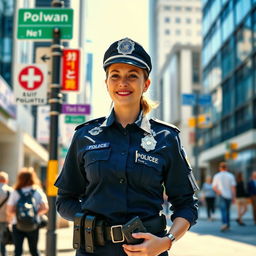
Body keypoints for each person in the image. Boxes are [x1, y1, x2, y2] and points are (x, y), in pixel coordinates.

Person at [55, 37, 199, 256]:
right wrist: (88, 221)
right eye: (115, 76)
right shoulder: (85, 136)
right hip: (93, 251)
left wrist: (166, 241)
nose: (123, 83)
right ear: (106, 83)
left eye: (132, 76)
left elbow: (186, 204)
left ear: (146, 83)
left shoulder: (166, 137)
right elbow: (65, 199)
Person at [6, 167, 49, 256]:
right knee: (34, 250)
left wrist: (19, 214)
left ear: (20, 178)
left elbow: (9, 211)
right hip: (33, 224)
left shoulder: (15, 192)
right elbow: (45, 208)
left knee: (18, 251)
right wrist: (34, 214)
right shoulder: (38, 191)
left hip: (17, 224)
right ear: (33, 178)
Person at [212, 162, 236, 231]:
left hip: (221, 195)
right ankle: (228, 225)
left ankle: (224, 223)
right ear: (226, 168)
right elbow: (233, 188)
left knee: (223, 210)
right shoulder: (231, 176)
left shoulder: (217, 175)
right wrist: (234, 197)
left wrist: (219, 192)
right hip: (229, 195)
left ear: (220, 168)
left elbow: (214, 187)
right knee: (228, 210)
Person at [0, 172, 13, 256]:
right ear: (6, 180)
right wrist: (10, 219)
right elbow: (11, 207)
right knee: (3, 241)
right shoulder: (10, 191)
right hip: (5, 219)